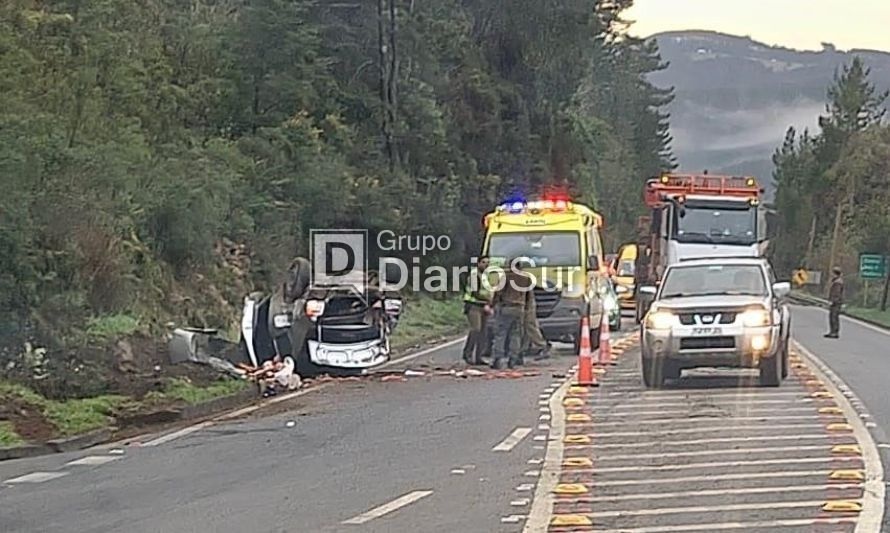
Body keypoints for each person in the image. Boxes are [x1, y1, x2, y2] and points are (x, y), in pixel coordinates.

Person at [490, 259, 534, 369]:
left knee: (501, 333)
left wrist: (493, 304)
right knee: (516, 335)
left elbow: (498, 292)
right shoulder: (526, 278)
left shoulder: (506, 277)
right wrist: (527, 308)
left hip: (506, 307)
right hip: (520, 309)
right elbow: (529, 296)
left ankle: (497, 359)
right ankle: (513, 359)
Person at [462, 256, 493, 365]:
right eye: (484, 262)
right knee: (476, 329)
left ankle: (479, 357)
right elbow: (475, 292)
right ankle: (467, 353)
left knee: (483, 332)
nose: (486, 265)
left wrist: (490, 303)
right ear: (478, 263)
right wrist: (488, 300)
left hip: (483, 306)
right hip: (474, 305)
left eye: (488, 263)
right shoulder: (475, 275)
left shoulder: (484, 276)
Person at [521, 287, 551, 360]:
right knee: (526, 327)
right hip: (525, 302)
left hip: (525, 304)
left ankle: (542, 345)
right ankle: (522, 350)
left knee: (530, 325)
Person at [825, 267, 844, 339]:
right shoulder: (836, 281)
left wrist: (833, 301)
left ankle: (834, 332)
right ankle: (832, 331)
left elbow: (837, 293)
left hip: (836, 303)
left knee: (834, 317)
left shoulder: (838, 282)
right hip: (836, 302)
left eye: (832, 273)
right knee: (832, 317)